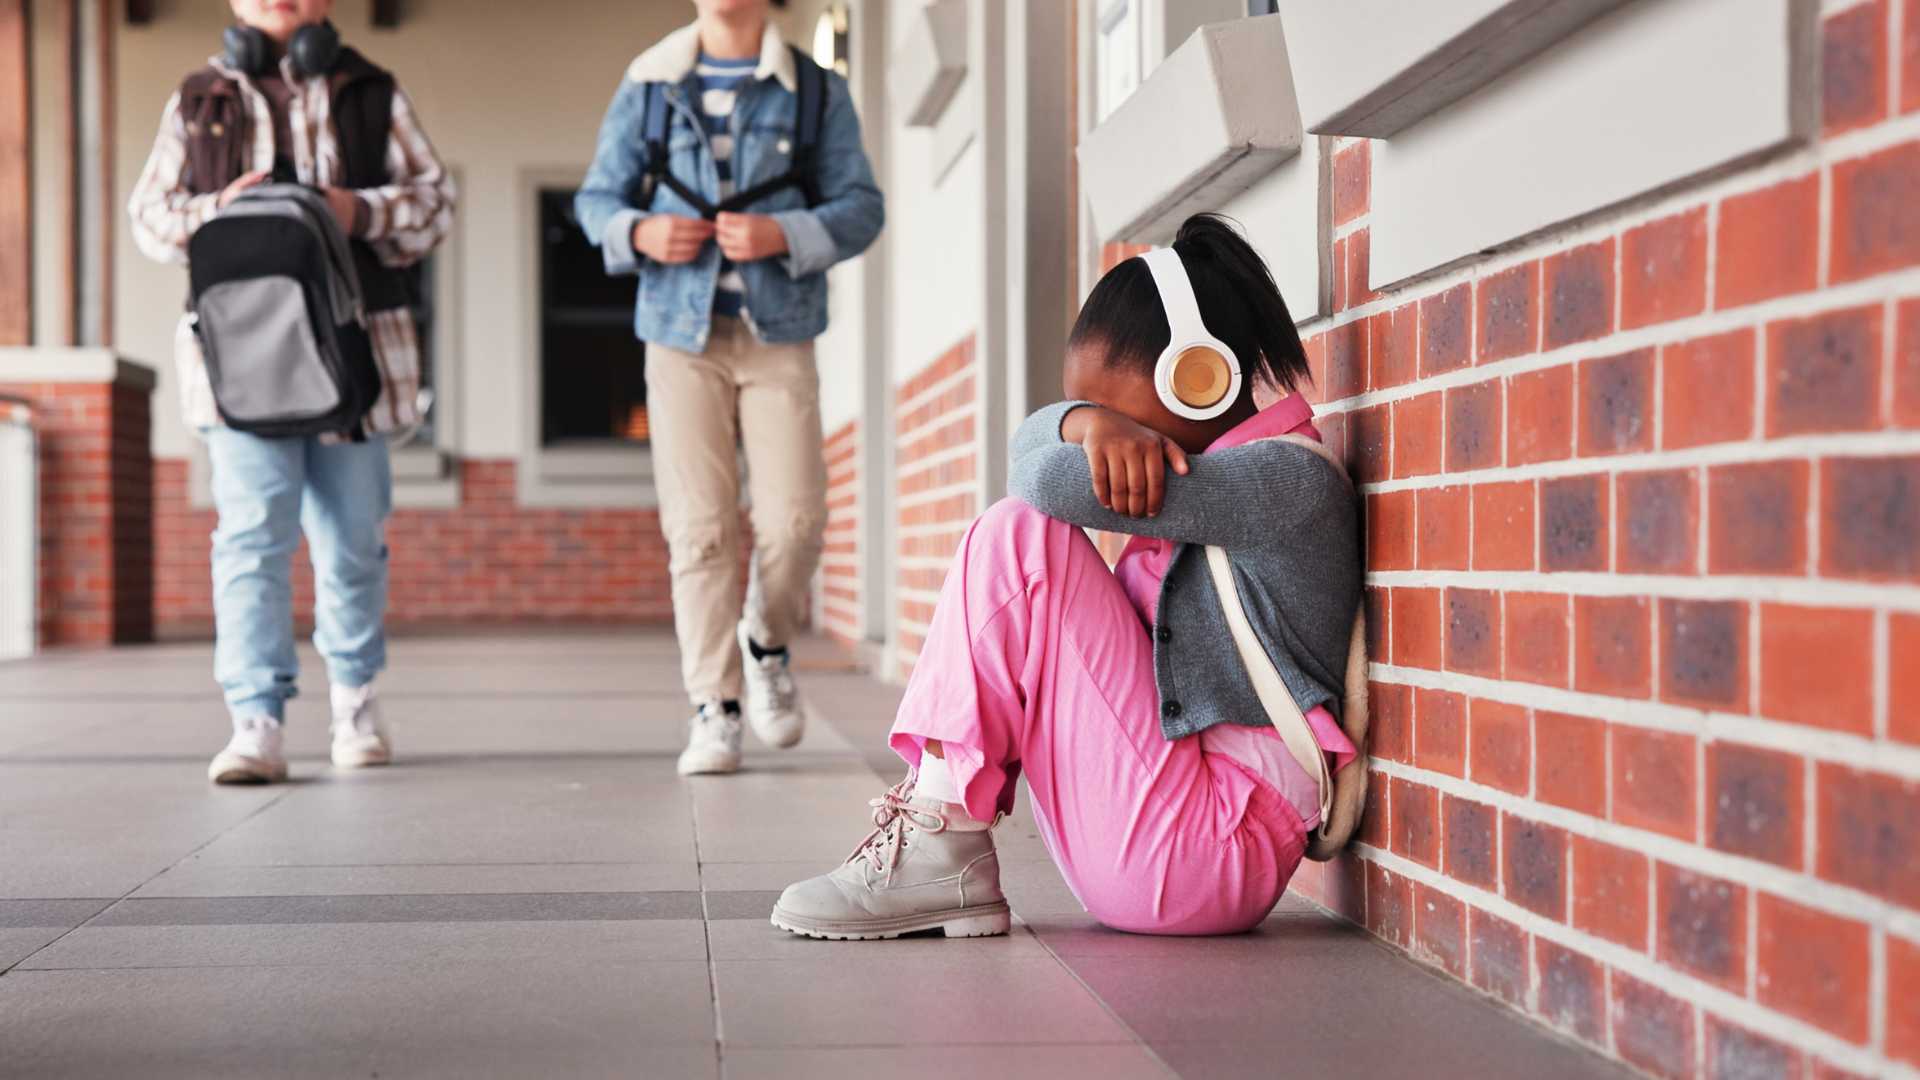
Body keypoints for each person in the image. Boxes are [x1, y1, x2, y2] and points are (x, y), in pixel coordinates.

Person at [773, 215, 1363, 939]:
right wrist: (1085, 420)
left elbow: (1041, 486)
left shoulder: (1281, 483)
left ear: (1200, 378)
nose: (1103, 438)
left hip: (1209, 853)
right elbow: (1036, 459)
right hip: (1165, 836)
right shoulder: (1220, 487)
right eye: (1093, 415)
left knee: (1019, 534)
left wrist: (1075, 432)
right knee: (1020, 527)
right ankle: (940, 839)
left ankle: (941, 844)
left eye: (1114, 411)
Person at [128, 0, 455, 784]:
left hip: (355, 361)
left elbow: (435, 205)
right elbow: (150, 218)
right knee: (250, 539)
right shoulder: (197, 97)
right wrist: (226, 211)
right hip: (239, 365)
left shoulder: (372, 90)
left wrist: (355, 209)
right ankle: (256, 723)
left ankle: (354, 701)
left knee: (352, 543)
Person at [575, 0, 883, 776]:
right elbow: (596, 201)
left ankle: (767, 641)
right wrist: (641, 232)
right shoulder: (648, 84)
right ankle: (714, 707)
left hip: (778, 333)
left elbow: (861, 209)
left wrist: (784, 234)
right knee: (700, 528)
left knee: (796, 521)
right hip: (679, 338)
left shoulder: (814, 90)